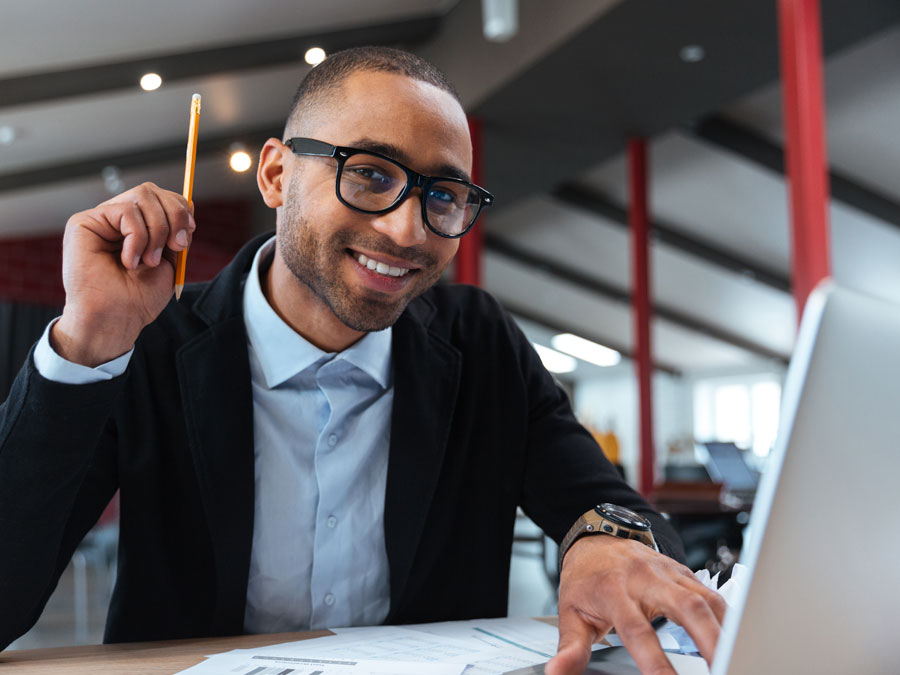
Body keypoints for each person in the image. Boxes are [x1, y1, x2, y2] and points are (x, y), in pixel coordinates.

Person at [0, 47, 725, 673]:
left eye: (443, 194)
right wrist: (85, 346)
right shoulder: (153, 339)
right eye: (371, 173)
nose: (408, 229)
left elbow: (620, 513)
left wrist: (603, 539)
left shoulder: (480, 344)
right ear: (277, 175)